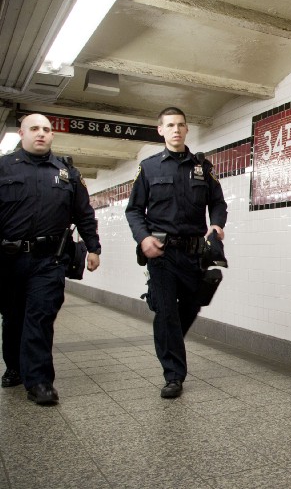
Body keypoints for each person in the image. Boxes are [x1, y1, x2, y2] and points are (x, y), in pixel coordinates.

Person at [125, 106, 227, 399]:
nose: (176, 130)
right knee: (168, 312)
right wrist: (143, 238)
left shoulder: (202, 167)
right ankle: (173, 376)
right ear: (161, 130)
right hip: (162, 253)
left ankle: (167, 339)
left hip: (194, 253)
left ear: (186, 129)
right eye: (170, 125)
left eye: (181, 125)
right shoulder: (150, 167)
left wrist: (217, 225)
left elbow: (218, 203)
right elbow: (133, 210)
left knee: (193, 304)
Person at [0, 113, 101, 405]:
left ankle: (40, 382)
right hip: (8, 261)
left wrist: (93, 249)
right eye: (34, 128)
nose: (41, 133)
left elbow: (84, 214)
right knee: (14, 316)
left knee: (40, 317)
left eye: (46, 129)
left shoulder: (67, 173)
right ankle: (15, 367)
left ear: (52, 135)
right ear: (21, 133)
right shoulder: (3, 167)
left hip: (49, 260)